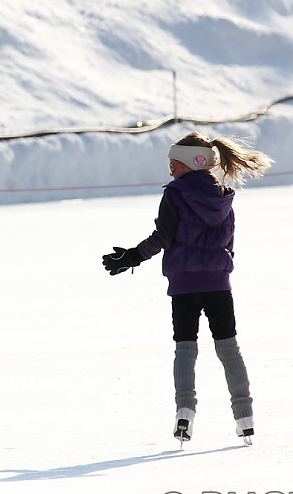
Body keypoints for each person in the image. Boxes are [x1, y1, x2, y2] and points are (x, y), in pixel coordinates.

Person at [101, 131, 272, 445]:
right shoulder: (222, 195)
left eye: (174, 163)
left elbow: (163, 236)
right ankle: (244, 417)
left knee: (185, 349)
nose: (170, 169)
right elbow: (229, 241)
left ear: (188, 163)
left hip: (184, 287)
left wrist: (133, 256)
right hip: (219, 285)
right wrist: (220, 266)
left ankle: (184, 413)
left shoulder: (176, 193)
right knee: (228, 349)